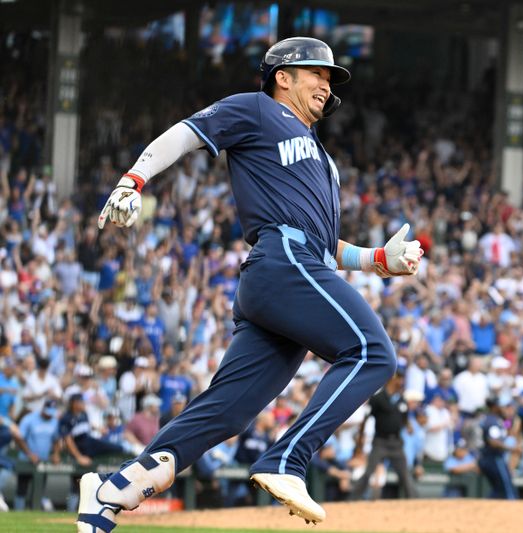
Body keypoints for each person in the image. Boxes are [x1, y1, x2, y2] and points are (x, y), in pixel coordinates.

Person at [77, 36, 423, 532]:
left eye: (329, 80)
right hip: (281, 260)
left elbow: (325, 249)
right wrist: (134, 179)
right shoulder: (257, 109)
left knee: (228, 412)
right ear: (284, 77)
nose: (326, 85)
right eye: (317, 74)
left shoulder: (325, 163)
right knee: (372, 352)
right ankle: (287, 459)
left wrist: (377, 260)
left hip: (289, 270)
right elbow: (185, 133)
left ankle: (110, 492)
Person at [350, 371, 418, 500]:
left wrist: (408, 426)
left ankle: (413, 501)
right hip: (380, 441)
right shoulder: (377, 399)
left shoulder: (402, 400)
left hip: (396, 443)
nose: (401, 382)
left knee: (404, 474)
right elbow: (365, 419)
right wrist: (360, 441)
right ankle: (353, 499)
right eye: (399, 379)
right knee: (369, 472)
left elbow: (404, 419)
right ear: (392, 380)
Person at [478, 396, 519, 499]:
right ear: (495, 407)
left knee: (498, 490)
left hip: (490, 458)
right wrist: (512, 449)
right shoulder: (492, 421)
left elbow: (507, 428)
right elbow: (493, 442)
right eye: (503, 406)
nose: (504, 408)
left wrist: (512, 420)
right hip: (493, 458)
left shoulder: (496, 419)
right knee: (508, 490)